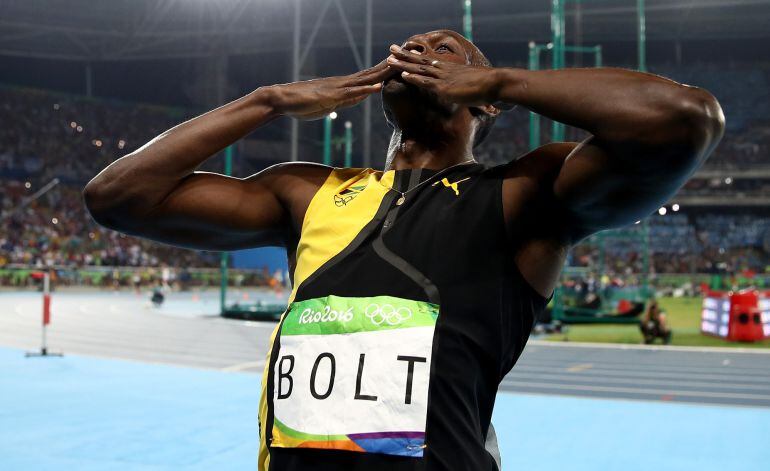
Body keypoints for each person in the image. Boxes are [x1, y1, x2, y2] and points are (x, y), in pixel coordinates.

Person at [84, 30, 723, 471]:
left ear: (484, 98)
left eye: (444, 49)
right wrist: (267, 101)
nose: (418, 50)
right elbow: (118, 195)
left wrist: (501, 78)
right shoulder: (308, 191)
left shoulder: (522, 194)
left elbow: (685, 118)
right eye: (410, 45)